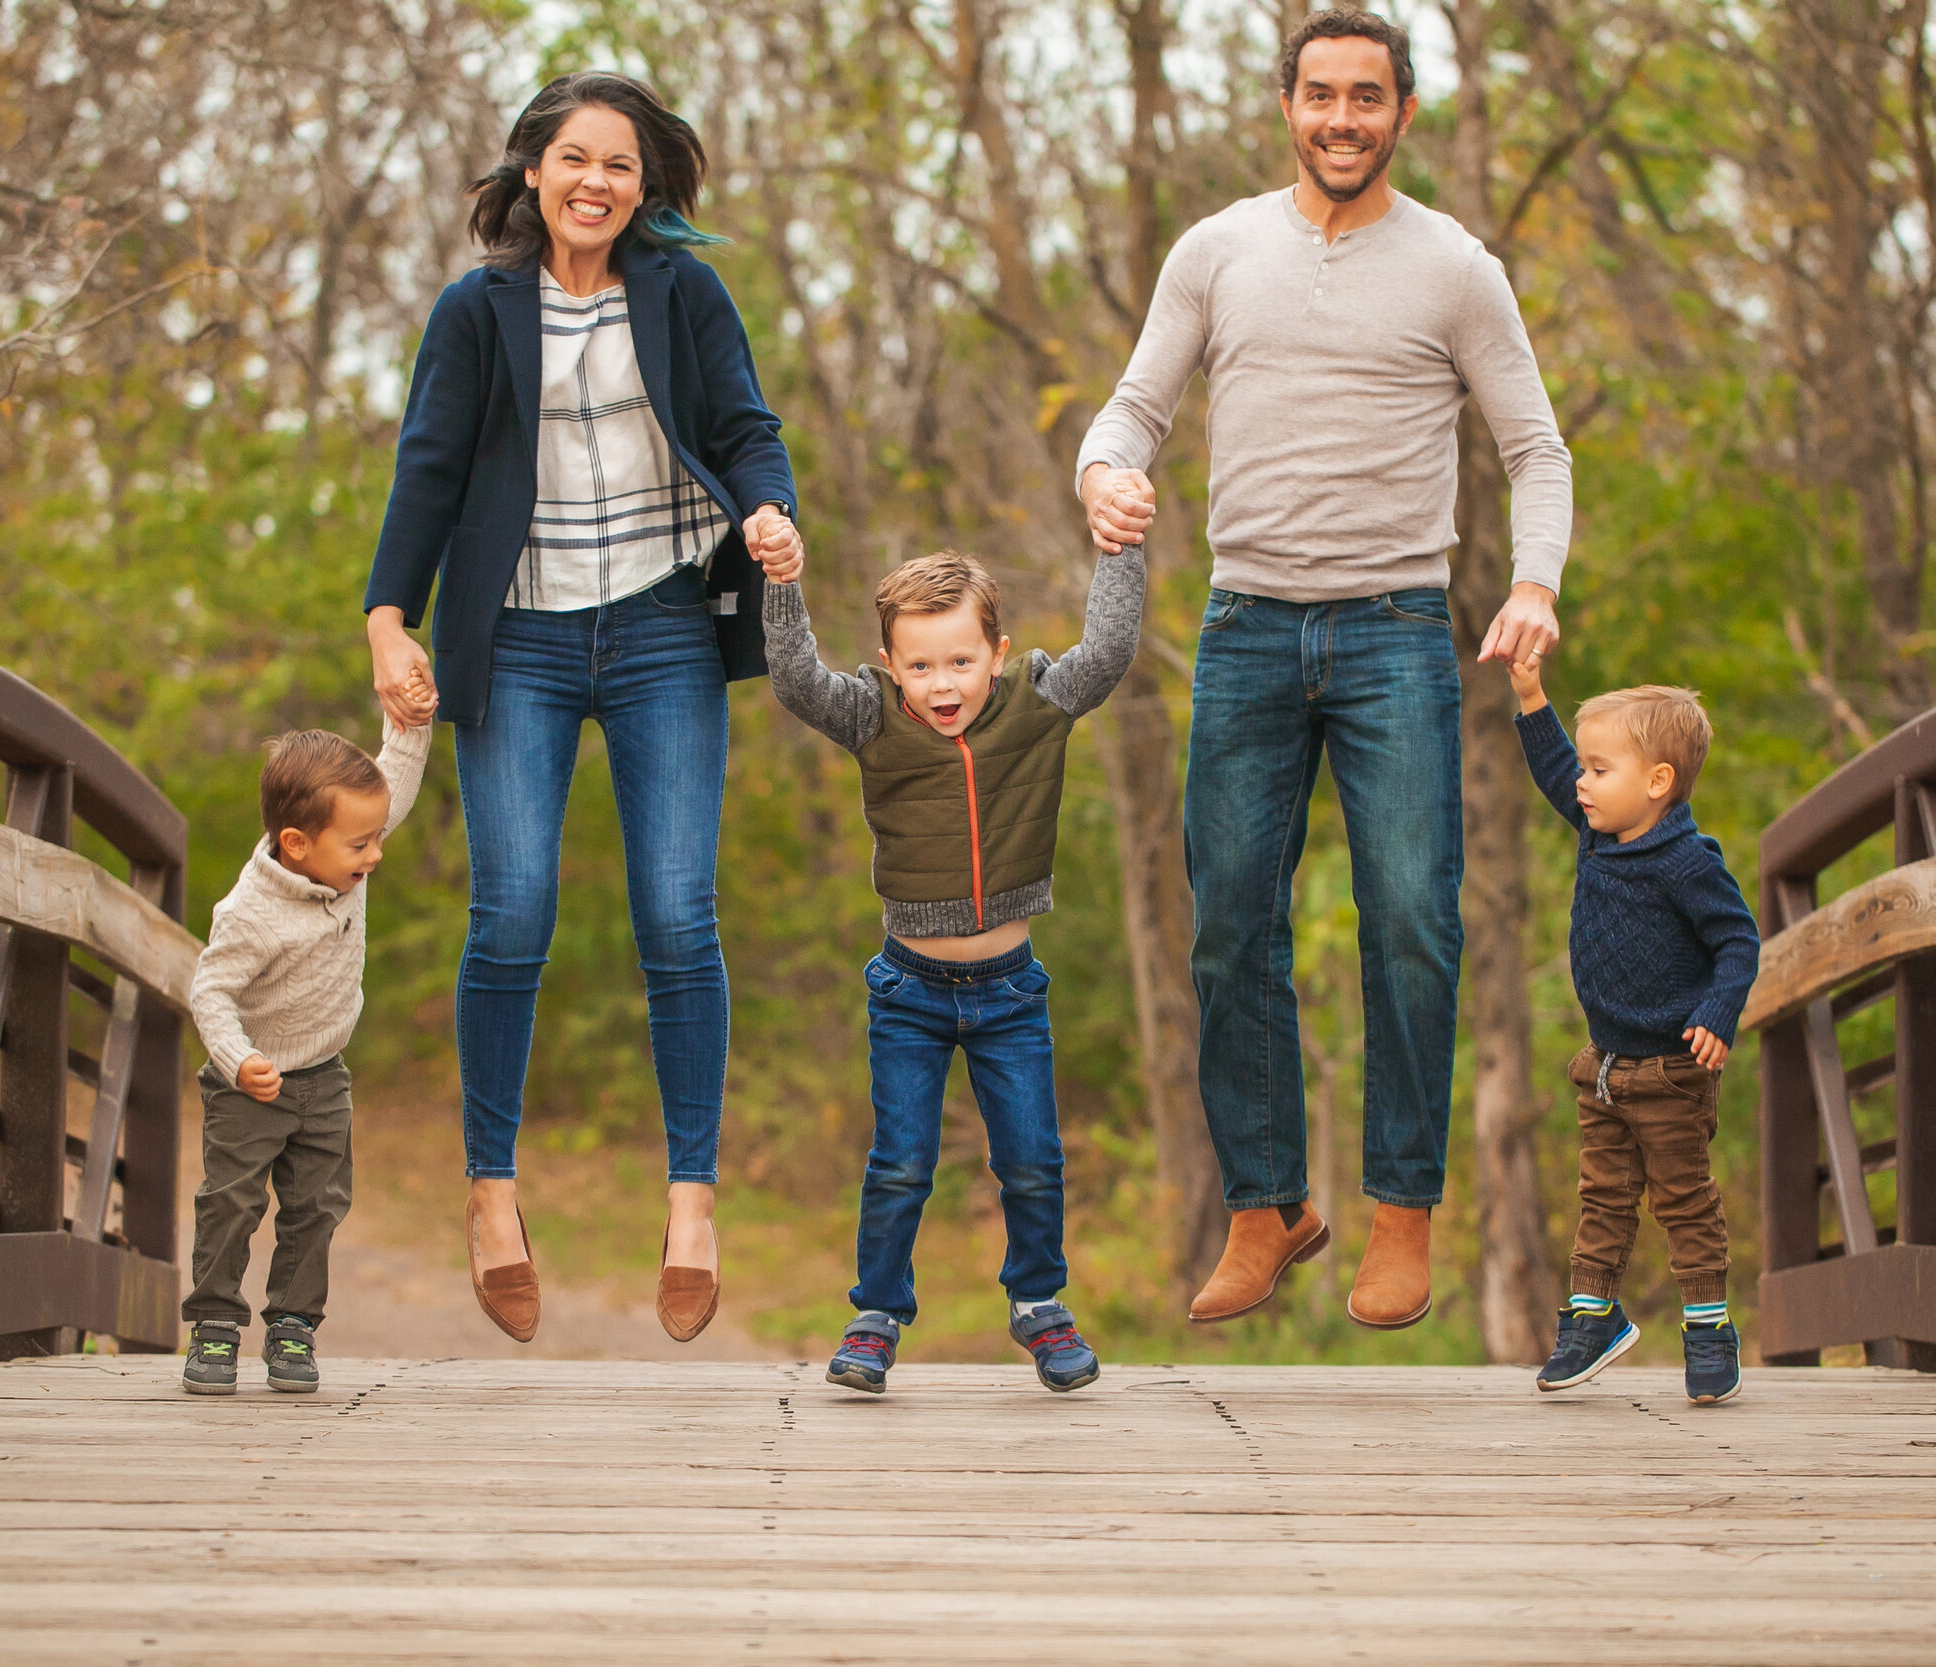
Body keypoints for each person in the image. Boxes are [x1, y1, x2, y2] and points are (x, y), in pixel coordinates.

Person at [1074, 8, 1574, 1327]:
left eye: (1368, 96)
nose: (1341, 117)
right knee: (1232, 921)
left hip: (1395, 634)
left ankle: (1402, 1216)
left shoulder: (1456, 267)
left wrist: (1534, 583)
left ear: (1405, 113)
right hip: (1244, 631)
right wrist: (1106, 470)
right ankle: (1267, 1205)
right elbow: (1134, 408)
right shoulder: (1217, 252)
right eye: (1319, 95)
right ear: (1285, 106)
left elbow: (1538, 450)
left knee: (1413, 915)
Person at [360, 73, 803, 1343]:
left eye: (621, 165)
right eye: (574, 160)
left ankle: (691, 1197)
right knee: (513, 912)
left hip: (664, 621)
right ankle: (491, 1194)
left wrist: (766, 507)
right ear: (533, 172)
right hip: (524, 636)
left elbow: (745, 425)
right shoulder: (476, 309)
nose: (597, 182)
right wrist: (389, 616)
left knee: (676, 911)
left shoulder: (684, 291)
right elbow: (428, 470)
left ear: (647, 185)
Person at [762, 545, 1143, 1394]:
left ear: (998, 656)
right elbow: (794, 680)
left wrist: (1121, 545)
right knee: (901, 1159)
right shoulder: (872, 717)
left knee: (1034, 1159)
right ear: (891, 665)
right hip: (909, 991)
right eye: (922, 665)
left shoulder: (1037, 705)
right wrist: (783, 579)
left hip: (1009, 990)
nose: (944, 685)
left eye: (962, 661)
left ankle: (1038, 1301)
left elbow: (1110, 649)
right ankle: (878, 1313)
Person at [1505, 660, 1759, 1404]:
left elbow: (1738, 941)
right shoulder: (1598, 836)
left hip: (1672, 1071)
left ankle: (1708, 1328)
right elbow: (1554, 770)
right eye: (1584, 767)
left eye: (1599, 769)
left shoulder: (1685, 861)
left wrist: (1716, 1014)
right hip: (1605, 1069)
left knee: (1684, 1201)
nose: (1581, 783)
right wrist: (1530, 698)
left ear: (1656, 782)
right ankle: (1592, 1316)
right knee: (1602, 1199)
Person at [182, 707, 431, 1394]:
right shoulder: (251, 912)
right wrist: (237, 1059)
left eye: (374, 839)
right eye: (360, 845)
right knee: (231, 1202)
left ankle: (293, 1324)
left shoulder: (344, 862)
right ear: (296, 842)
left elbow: (396, 781)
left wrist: (408, 718)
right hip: (250, 1084)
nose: (375, 855)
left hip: (325, 1079)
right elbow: (210, 990)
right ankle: (214, 1325)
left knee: (318, 1204)